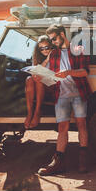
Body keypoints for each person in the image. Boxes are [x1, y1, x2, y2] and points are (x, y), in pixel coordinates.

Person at [38, 24, 92, 175]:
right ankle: (58, 163)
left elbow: (85, 72)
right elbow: (46, 72)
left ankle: (83, 160)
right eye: (50, 40)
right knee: (62, 128)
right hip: (61, 94)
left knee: (82, 125)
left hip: (79, 93)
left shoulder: (78, 50)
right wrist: (40, 73)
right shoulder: (53, 54)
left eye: (54, 38)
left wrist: (69, 72)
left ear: (62, 34)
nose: (52, 42)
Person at [24, 35, 53, 129]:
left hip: (53, 86)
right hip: (40, 85)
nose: (44, 50)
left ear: (51, 47)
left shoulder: (55, 56)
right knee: (29, 79)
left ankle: (37, 112)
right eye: (41, 49)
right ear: (38, 49)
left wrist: (48, 59)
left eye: (47, 48)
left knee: (38, 78)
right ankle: (30, 113)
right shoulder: (37, 57)